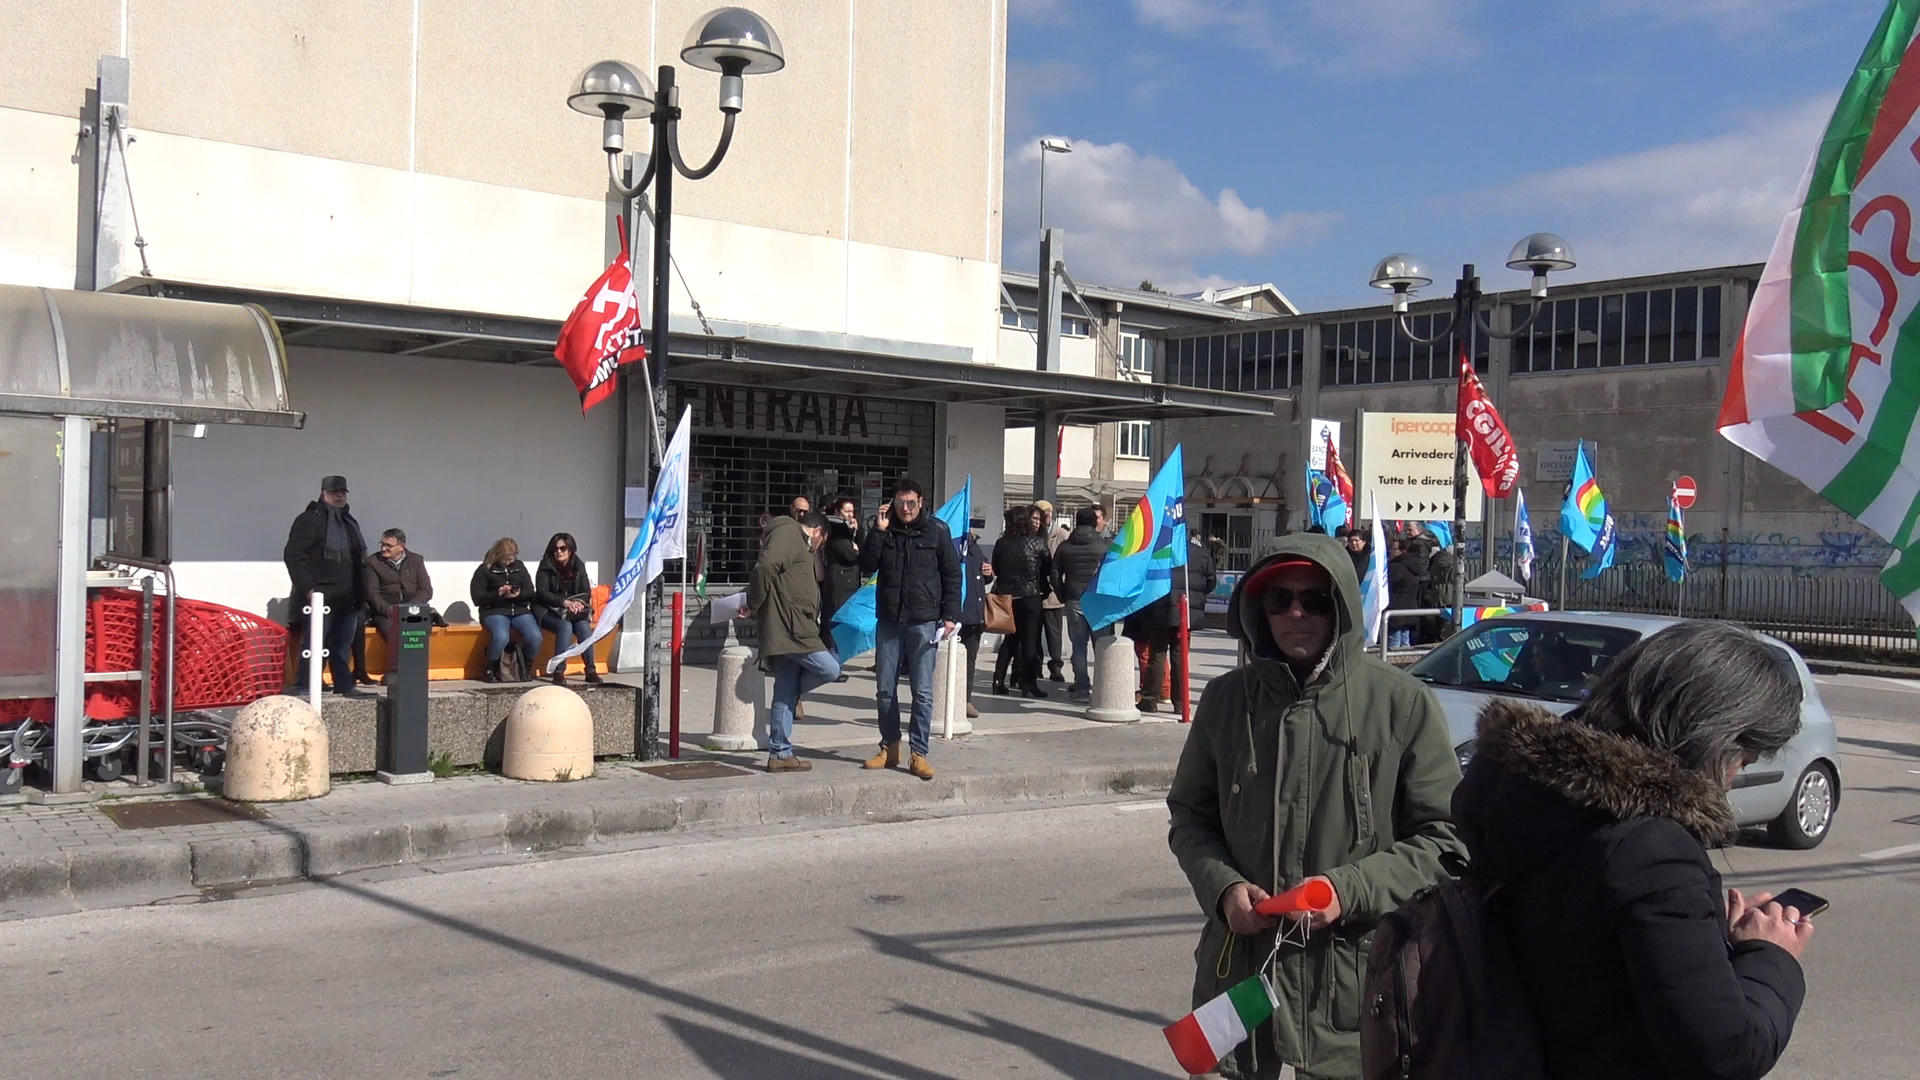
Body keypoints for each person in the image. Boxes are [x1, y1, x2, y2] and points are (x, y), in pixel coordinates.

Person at [1453, 620, 1811, 1080]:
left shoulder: (1526, 792)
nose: (1731, 780)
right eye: (1742, 759)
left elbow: (1589, 944)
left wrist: (1703, 937)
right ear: (1713, 737)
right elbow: (1724, 1053)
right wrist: (1771, 955)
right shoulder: (1653, 850)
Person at [1167, 533, 1464, 1080]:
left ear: (1341, 606)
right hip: (1241, 975)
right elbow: (1190, 817)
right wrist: (1223, 888)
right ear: (1259, 610)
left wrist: (1346, 890)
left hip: (1350, 987)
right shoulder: (1226, 701)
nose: (1296, 614)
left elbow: (1446, 843)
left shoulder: (1402, 704)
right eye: (1279, 600)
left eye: (1314, 600)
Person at [858, 478, 961, 780]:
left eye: (911, 503)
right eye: (900, 503)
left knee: (923, 691)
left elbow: (952, 575)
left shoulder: (937, 531)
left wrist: (950, 615)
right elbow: (865, 565)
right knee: (885, 690)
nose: (905, 509)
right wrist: (878, 531)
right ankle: (890, 746)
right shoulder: (885, 530)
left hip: (924, 620)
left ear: (921, 501)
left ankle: (919, 753)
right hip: (890, 619)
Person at [746, 510, 841, 772]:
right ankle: (783, 741)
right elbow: (765, 567)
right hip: (791, 629)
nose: (818, 549)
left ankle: (780, 753)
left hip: (793, 626)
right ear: (818, 532)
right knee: (831, 668)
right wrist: (753, 604)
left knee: (784, 691)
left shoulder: (797, 542)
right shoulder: (789, 532)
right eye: (821, 543)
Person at [284, 475, 369, 697]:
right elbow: (294, 556)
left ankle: (344, 685)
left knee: (342, 646)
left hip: (348, 596)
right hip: (320, 595)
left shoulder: (349, 521)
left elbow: (359, 559)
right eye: (334, 492)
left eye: (342, 492)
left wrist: (362, 591)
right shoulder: (309, 520)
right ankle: (305, 687)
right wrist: (309, 589)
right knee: (314, 644)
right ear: (323, 493)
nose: (339, 496)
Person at [1124, 529, 1215, 714]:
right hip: (1185, 611)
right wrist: (1195, 598)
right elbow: (1210, 582)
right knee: (1180, 657)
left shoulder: (1157, 551)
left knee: (1157, 655)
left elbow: (1145, 579)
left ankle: (1150, 699)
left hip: (1160, 609)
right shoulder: (1201, 553)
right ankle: (1180, 703)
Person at [991, 505, 1053, 699]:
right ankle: (1029, 683)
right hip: (1031, 596)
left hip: (1008, 598)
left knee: (1009, 640)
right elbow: (1048, 568)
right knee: (1030, 641)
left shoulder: (1001, 543)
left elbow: (996, 568)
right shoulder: (1037, 543)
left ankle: (998, 680)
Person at [1050, 506, 1107, 703]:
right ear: (1094, 522)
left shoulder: (1065, 547)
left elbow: (1055, 575)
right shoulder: (1104, 546)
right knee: (1102, 646)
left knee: (1079, 646)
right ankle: (1103, 688)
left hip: (1074, 598)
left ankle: (1082, 688)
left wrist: (1063, 595)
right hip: (1099, 600)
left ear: (1076, 521)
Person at [534, 532, 602, 687]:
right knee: (565, 626)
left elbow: (586, 591)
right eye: (555, 549)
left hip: (572, 610)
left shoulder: (578, 565)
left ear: (570, 550)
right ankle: (558, 672)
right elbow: (543, 593)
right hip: (548, 609)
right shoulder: (546, 566)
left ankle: (590, 670)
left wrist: (578, 603)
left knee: (584, 627)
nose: (558, 552)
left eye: (563, 548)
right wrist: (565, 602)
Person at [471, 538, 539, 682]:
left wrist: (518, 595)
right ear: (498, 555)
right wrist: (498, 593)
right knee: (501, 636)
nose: (509, 562)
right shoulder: (485, 570)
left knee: (535, 637)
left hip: (518, 609)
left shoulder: (519, 567)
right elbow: (477, 598)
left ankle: (524, 666)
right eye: (506, 559)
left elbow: (530, 591)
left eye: (512, 558)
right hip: (494, 610)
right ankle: (490, 667)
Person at [957, 522, 991, 720]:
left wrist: (989, 571)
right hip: (957, 613)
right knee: (946, 659)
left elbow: (985, 575)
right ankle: (947, 698)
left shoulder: (975, 547)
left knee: (970, 659)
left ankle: (965, 699)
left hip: (975, 615)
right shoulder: (953, 545)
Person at [1034, 499, 1067, 682]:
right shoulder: (1032, 534)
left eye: (1048, 513)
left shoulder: (1061, 534)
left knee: (1054, 634)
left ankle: (1056, 668)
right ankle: (1036, 667)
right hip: (1034, 592)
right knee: (1034, 634)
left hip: (1054, 594)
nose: (1045, 517)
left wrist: (1061, 587)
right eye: (1041, 514)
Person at [1385, 536, 1428, 649]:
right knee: (1405, 641)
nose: (1391, 551)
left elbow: (1388, 584)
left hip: (1396, 608)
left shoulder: (1397, 566)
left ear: (1403, 551)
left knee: (1393, 643)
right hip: (1409, 608)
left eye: (1395, 549)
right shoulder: (1414, 565)